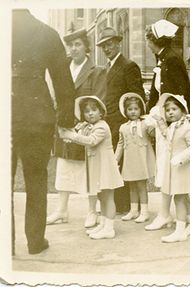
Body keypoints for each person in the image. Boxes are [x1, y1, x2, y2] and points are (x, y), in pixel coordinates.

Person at [11, 9, 75, 255]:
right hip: (37, 114)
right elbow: (63, 82)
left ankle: (6, 244)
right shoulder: (47, 33)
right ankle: (35, 241)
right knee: (36, 179)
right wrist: (66, 119)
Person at [145, 19, 190, 231]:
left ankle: (166, 215)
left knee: (168, 170)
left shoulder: (171, 59)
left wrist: (168, 119)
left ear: (154, 40)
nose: (147, 43)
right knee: (167, 170)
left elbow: (177, 94)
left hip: (172, 125)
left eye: (148, 39)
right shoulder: (164, 58)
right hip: (165, 122)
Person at [47, 28, 106, 228]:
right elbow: (56, 97)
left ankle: (92, 211)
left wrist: (86, 125)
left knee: (88, 170)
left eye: (78, 44)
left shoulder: (96, 71)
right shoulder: (63, 68)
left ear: (86, 47)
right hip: (64, 126)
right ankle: (62, 210)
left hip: (85, 129)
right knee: (63, 168)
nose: (74, 48)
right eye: (71, 45)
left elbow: (98, 101)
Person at [96, 27, 145, 214]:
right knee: (113, 163)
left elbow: (137, 96)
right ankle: (118, 204)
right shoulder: (107, 68)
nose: (107, 49)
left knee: (123, 163)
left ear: (118, 43)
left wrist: (130, 121)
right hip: (108, 123)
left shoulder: (128, 66)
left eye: (109, 45)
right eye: (104, 46)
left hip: (122, 124)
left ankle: (126, 206)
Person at [62, 96, 124, 239]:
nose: (90, 113)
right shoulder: (90, 127)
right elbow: (80, 137)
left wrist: (72, 136)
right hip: (98, 167)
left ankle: (109, 228)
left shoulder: (102, 126)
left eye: (94, 110)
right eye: (86, 111)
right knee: (102, 196)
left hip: (106, 167)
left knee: (108, 197)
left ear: (101, 112)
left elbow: (91, 141)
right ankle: (103, 224)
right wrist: (73, 134)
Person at [151, 93, 190, 242]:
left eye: (174, 109)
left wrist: (180, 158)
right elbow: (165, 134)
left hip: (184, 168)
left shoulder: (188, 128)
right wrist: (160, 121)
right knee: (183, 196)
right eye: (168, 110)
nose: (170, 112)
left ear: (183, 110)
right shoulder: (173, 127)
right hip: (176, 169)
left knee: (179, 198)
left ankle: (180, 231)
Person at [115, 93, 156, 223]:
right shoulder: (123, 127)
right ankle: (133, 210)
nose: (133, 112)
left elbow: (154, 135)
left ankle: (144, 211)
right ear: (125, 111)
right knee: (131, 185)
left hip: (142, 159)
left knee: (141, 185)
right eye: (130, 109)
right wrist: (115, 160)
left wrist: (152, 124)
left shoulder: (145, 124)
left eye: (136, 109)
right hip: (130, 160)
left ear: (141, 110)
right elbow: (120, 144)